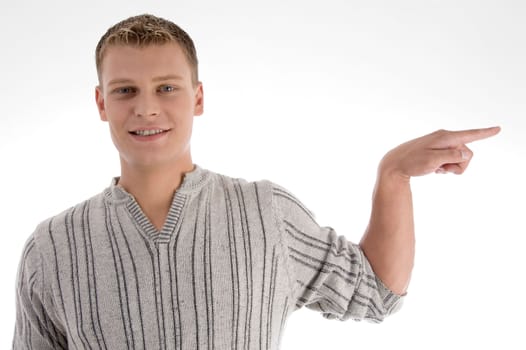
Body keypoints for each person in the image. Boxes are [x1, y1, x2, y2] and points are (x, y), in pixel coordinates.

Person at [12, 13, 500, 350]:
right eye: (125, 91)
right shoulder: (53, 246)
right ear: (101, 103)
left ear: (197, 97)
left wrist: (392, 176)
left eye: (166, 87)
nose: (146, 108)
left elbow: (374, 293)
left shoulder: (264, 213)